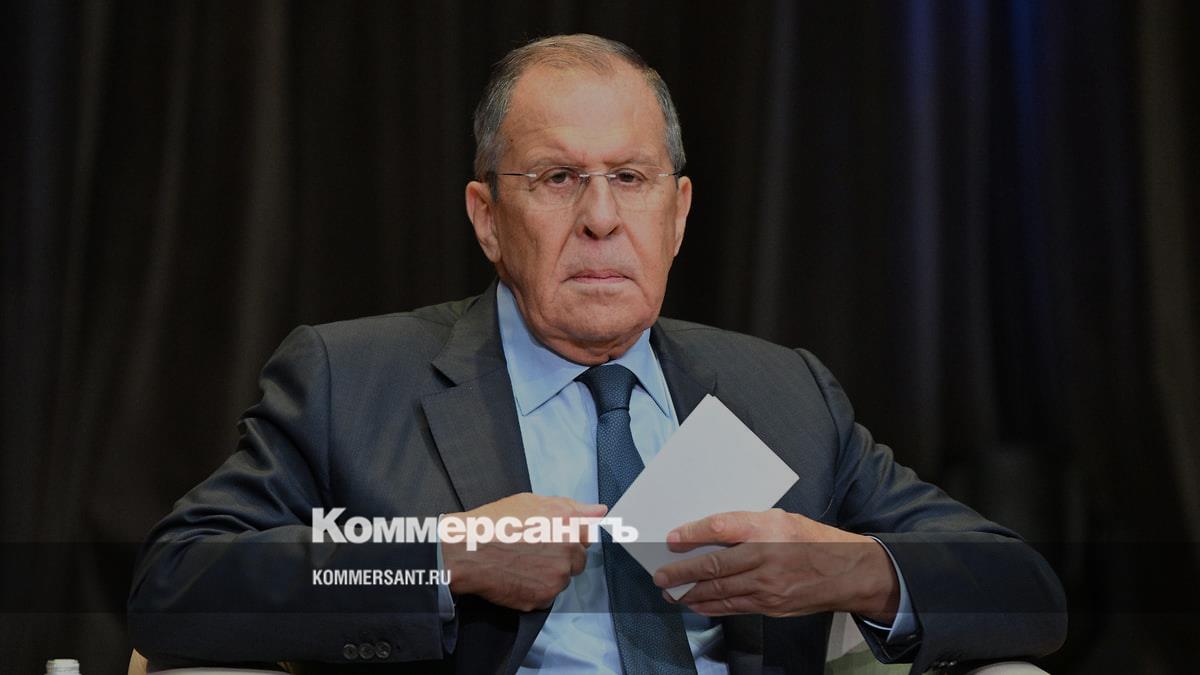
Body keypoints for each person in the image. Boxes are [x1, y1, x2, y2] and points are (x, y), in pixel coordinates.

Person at [128, 34, 1066, 674]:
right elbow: (179, 584)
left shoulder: (782, 391)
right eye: (558, 178)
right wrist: (442, 557)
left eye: (631, 177)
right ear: (488, 217)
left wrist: (856, 570)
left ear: (678, 214)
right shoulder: (353, 380)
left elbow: (1027, 591)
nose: (602, 218)